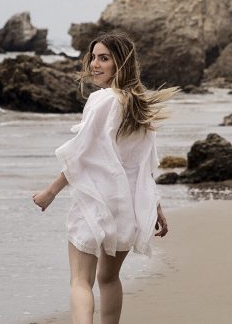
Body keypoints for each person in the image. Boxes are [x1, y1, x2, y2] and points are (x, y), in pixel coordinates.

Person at [32, 32, 178, 324]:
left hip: (96, 200)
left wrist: (51, 191)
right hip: (127, 207)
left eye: (104, 58)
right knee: (109, 279)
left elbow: (80, 154)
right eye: (94, 57)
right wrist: (156, 208)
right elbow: (144, 165)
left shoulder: (103, 100)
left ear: (120, 64)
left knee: (80, 281)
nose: (95, 64)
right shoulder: (139, 106)